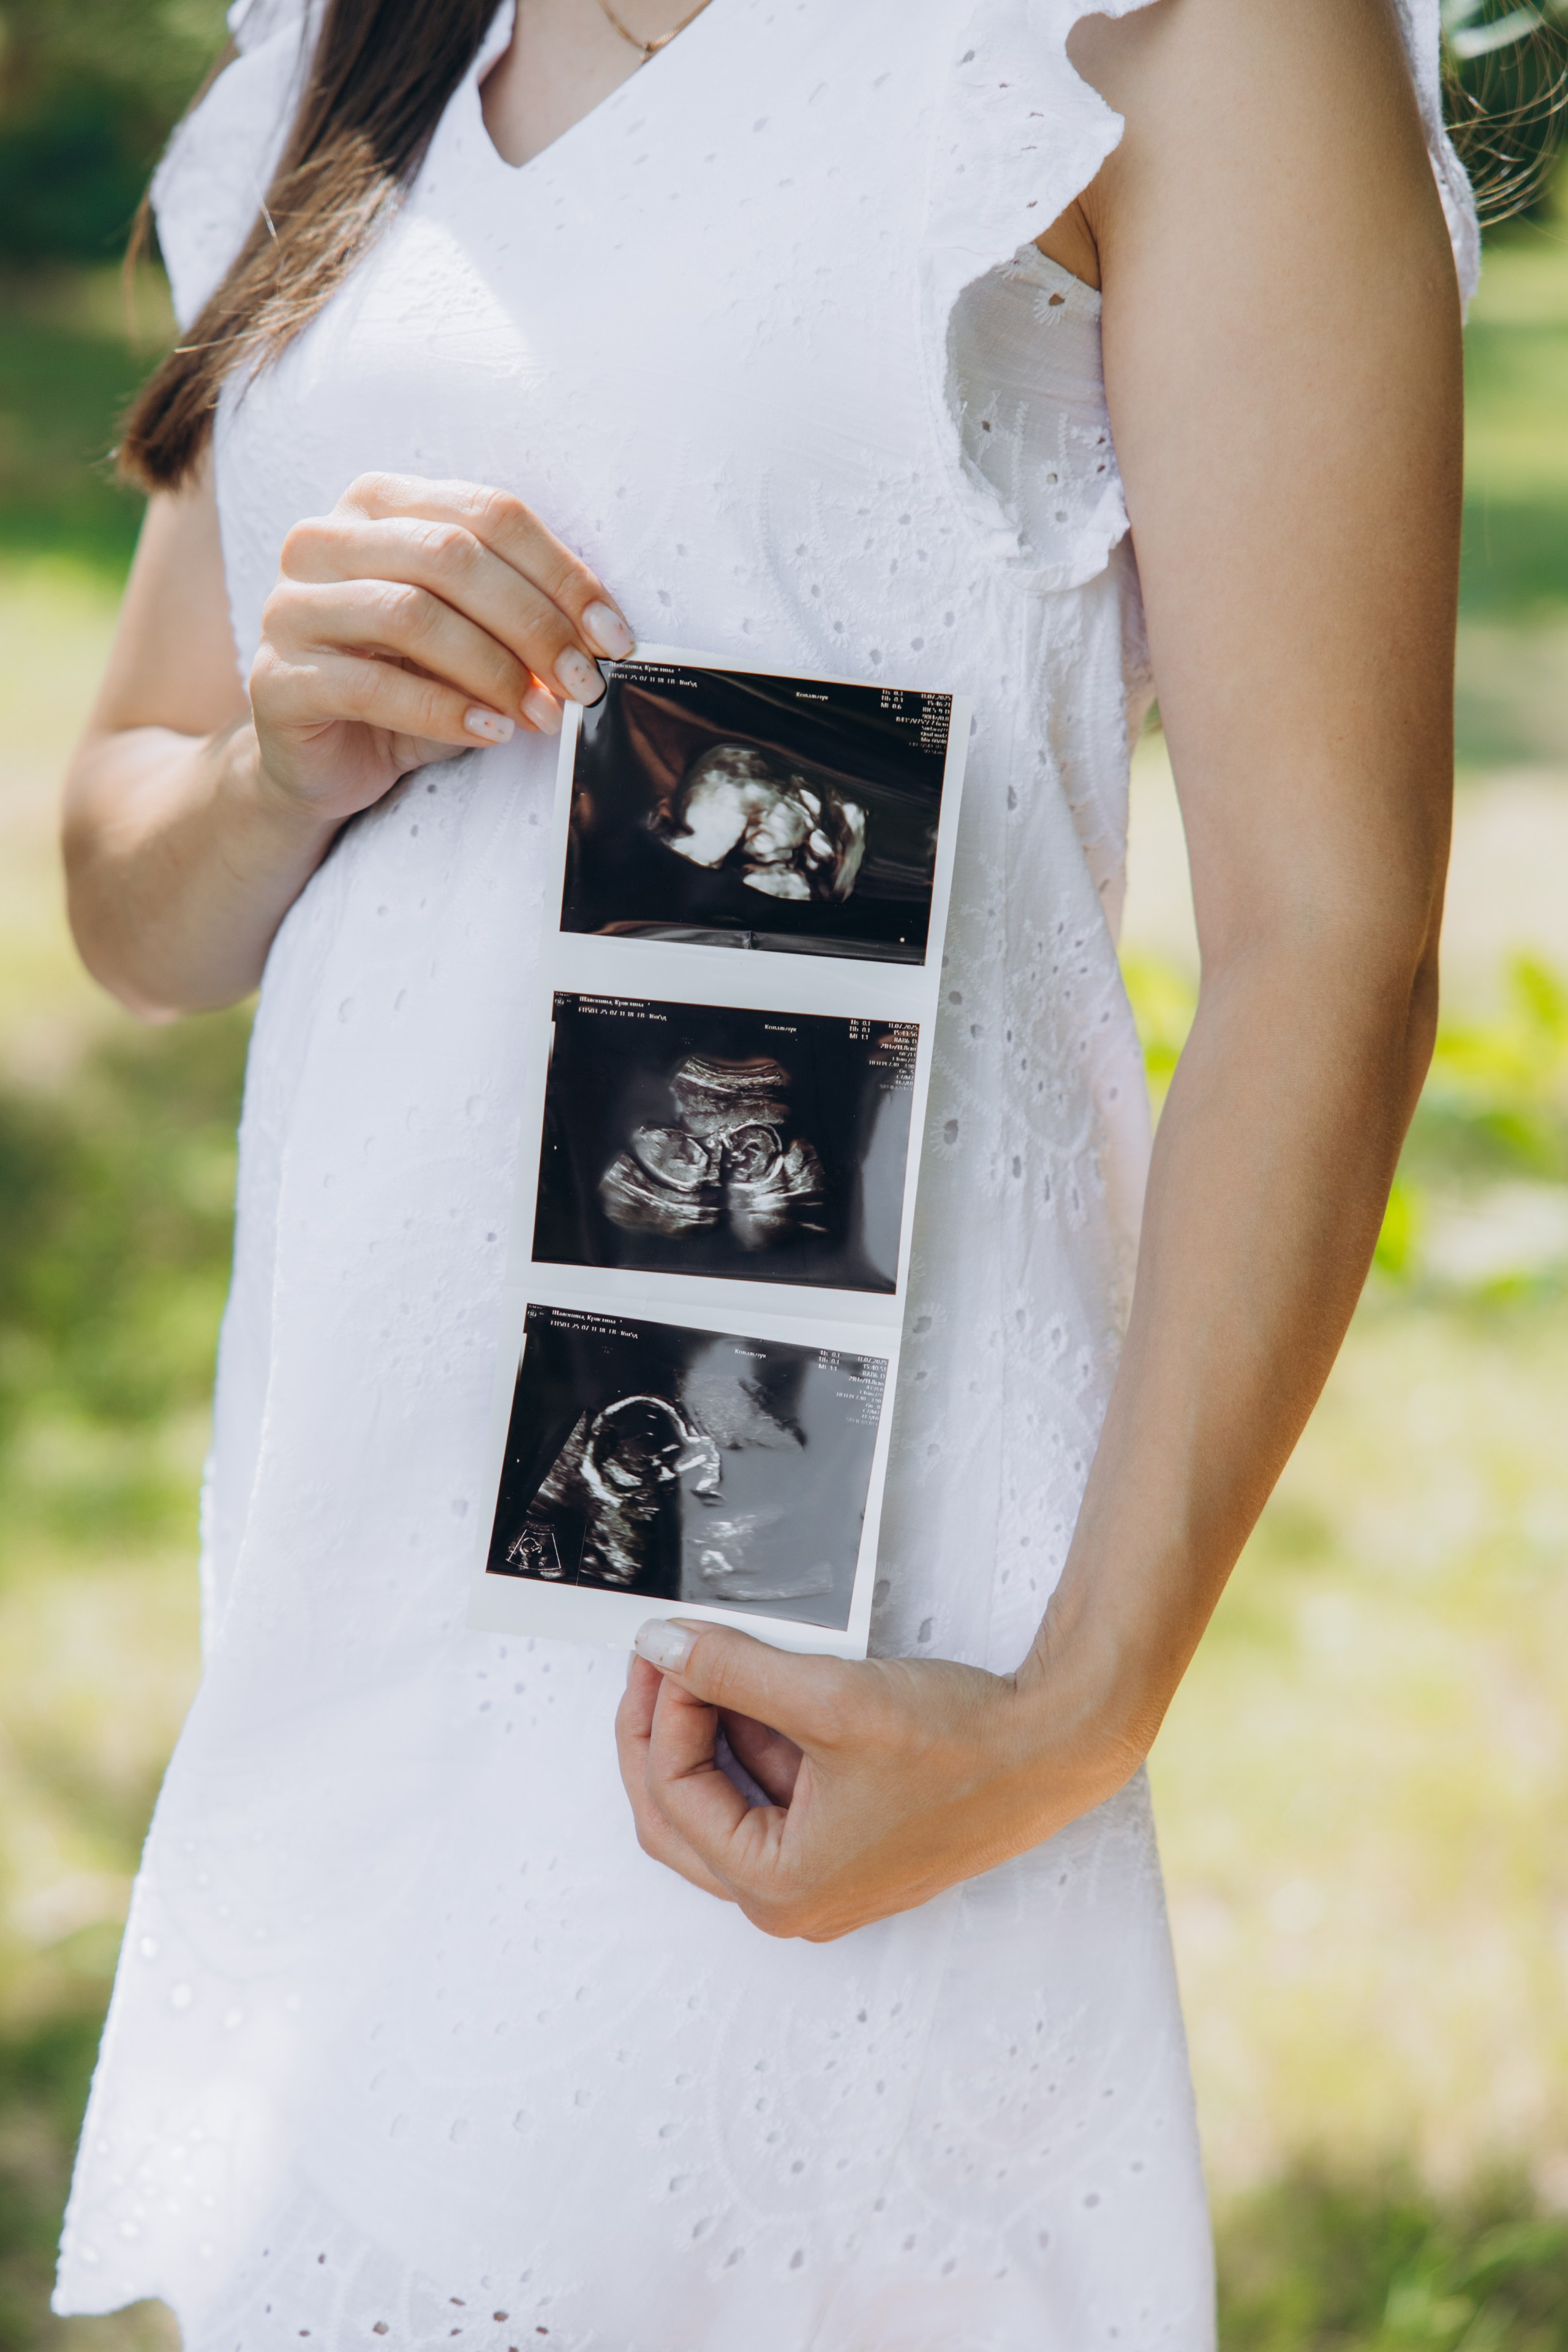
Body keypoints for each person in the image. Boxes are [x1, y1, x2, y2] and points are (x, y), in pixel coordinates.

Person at [53, 0, 1473, 2343]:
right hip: (359, 1578)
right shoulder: (354, 45)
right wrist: (275, 768)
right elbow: (128, 883)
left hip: (829, 1631)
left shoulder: (1169, 36)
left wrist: (1077, 1710)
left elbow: (1334, 939)